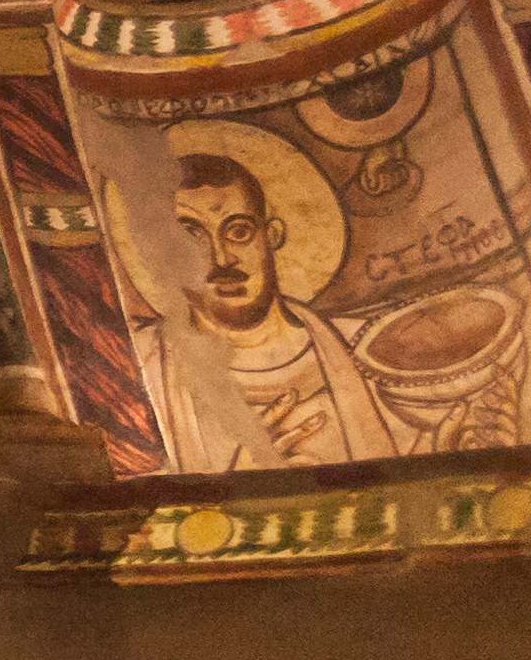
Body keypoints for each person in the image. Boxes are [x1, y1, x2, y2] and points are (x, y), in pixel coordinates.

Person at [147, 139, 411, 468]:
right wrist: (237, 488)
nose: (220, 258)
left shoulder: (367, 351)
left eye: (239, 231)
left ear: (271, 236)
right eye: (192, 237)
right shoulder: (144, 366)